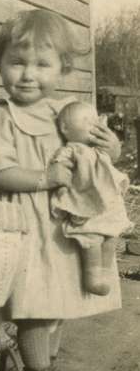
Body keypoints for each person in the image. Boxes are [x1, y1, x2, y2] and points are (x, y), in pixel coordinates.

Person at [0, 9, 122, 371]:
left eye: (42, 64)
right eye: (16, 62)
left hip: (61, 222)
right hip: (22, 223)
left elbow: (94, 156)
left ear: (62, 69)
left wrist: (111, 148)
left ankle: (45, 365)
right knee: (36, 302)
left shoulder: (66, 113)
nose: (27, 75)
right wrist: (45, 177)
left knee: (60, 297)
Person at [51, 101, 132, 296]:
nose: (93, 125)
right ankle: (93, 277)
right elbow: (60, 169)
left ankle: (105, 273)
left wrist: (113, 148)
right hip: (86, 204)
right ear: (65, 128)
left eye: (94, 120)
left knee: (111, 237)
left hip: (107, 207)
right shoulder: (72, 150)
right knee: (92, 239)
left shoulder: (97, 150)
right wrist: (62, 190)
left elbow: (111, 161)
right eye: (86, 120)